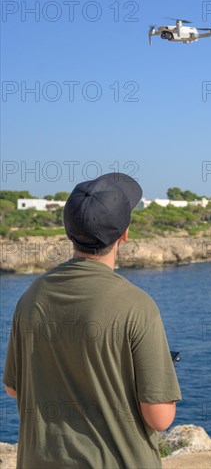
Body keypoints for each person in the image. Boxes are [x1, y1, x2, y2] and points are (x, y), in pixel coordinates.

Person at [2, 173, 182, 468]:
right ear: (124, 234)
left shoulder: (30, 297)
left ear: (69, 231)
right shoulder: (137, 306)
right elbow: (160, 418)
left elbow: (14, 388)